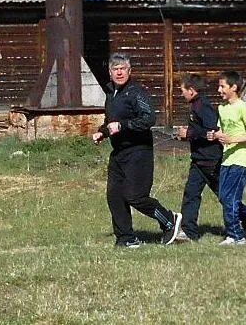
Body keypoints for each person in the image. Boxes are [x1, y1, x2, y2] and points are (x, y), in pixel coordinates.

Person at [93, 52, 182, 247]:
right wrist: (102, 132)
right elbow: (111, 122)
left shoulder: (136, 92)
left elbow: (148, 118)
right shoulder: (111, 93)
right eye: (115, 69)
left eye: (122, 69)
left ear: (129, 71)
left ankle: (169, 220)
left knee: (135, 196)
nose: (119, 73)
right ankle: (126, 238)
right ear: (110, 72)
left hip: (138, 152)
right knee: (114, 195)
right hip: (119, 153)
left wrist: (123, 126)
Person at [212, 71, 246, 245]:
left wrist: (233, 139)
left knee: (231, 199)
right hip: (227, 158)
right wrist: (217, 135)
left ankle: (235, 235)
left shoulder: (242, 107)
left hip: (241, 159)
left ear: (233, 87)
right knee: (223, 197)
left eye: (222, 86)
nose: (219, 89)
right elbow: (222, 130)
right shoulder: (222, 108)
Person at [174, 74, 223, 242]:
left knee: (223, 195)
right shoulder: (195, 105)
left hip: (210, 160)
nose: (181, 94)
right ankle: (189, 232)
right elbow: (199, 131)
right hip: (198, 160)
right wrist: (185, 135)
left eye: (182, 91)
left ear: (192, 91)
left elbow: (211, 132)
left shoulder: (203, 106)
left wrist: (190, 133)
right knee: (191, 194)